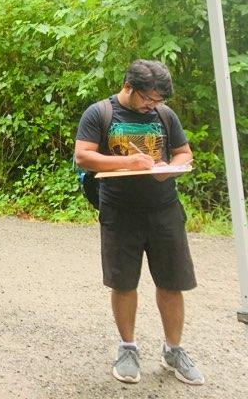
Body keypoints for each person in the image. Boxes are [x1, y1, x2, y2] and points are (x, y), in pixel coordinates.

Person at [73, 59, 203, 386]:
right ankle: (128, 348)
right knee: (124, 282)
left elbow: (184, 152)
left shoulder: (164, 115)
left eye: (158, 101)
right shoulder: (99, 113)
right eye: (148, 99)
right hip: (120, 212)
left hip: (164, 210)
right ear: (129, 87)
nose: (152, 106)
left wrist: (171, 167)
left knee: (172, 282)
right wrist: (127, 161)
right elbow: (83, 156)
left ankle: (173, 350)